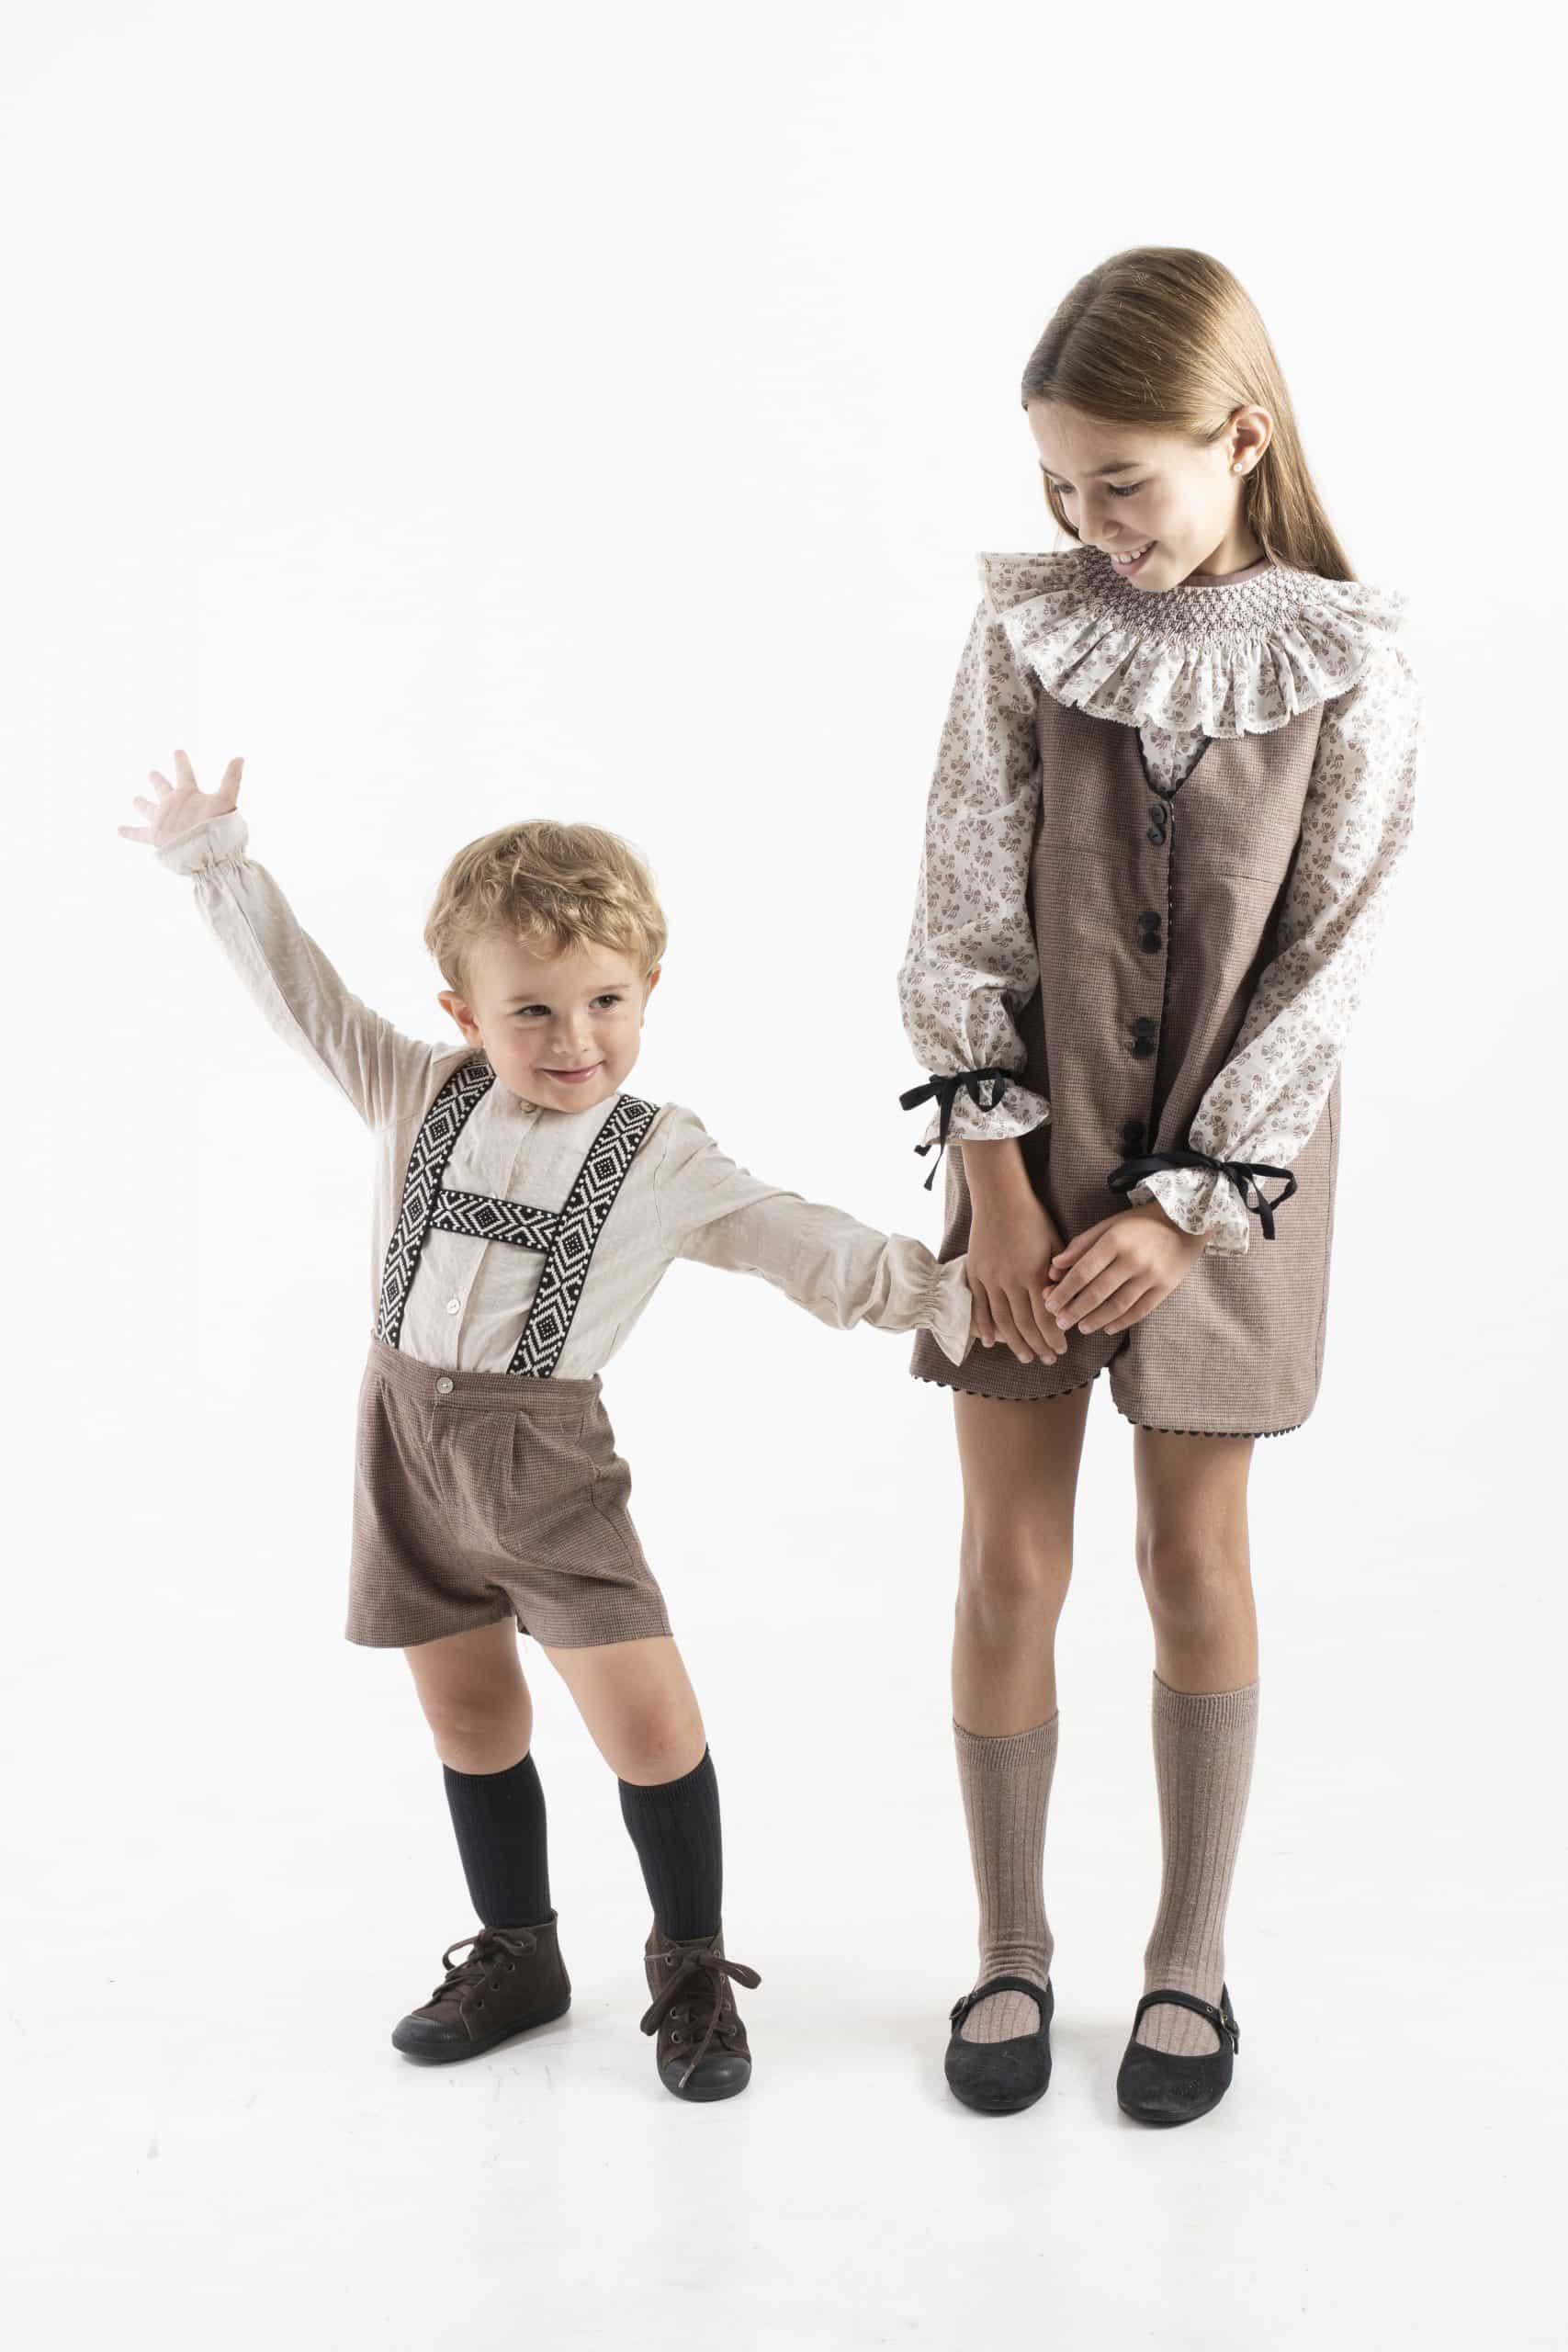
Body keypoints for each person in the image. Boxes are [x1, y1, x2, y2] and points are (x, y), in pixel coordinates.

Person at [118, 763, 974, 2103]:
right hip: (403, 1445)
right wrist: (216, 865)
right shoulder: (414, 1089)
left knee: (647, 1725)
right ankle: (520, 1955)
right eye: (530, 1009)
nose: (575, 1037)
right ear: (463, 1013)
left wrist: (946, 1291)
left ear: (648, 991)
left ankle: (691, 1969)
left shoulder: (659, 1155)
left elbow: (795, 1240)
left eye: (605, 1002)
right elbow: (303, 998)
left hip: (549, 1465)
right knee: (469, 1717)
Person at [896, 245, 1421, 2126]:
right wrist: (1003, 1186)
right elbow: (960, 907)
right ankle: (1007, 1941)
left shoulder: (1348, 658)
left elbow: (1322, 974)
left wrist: (1183, 1205)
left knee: (1186, 1558)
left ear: (1240, 438)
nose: (1087, 522)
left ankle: (1186, 1957)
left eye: (1120, 479)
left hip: (1234, 1193)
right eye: (1058, 483)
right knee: (1005, 1560)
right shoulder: (1027, 630)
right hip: (1022, 1167)